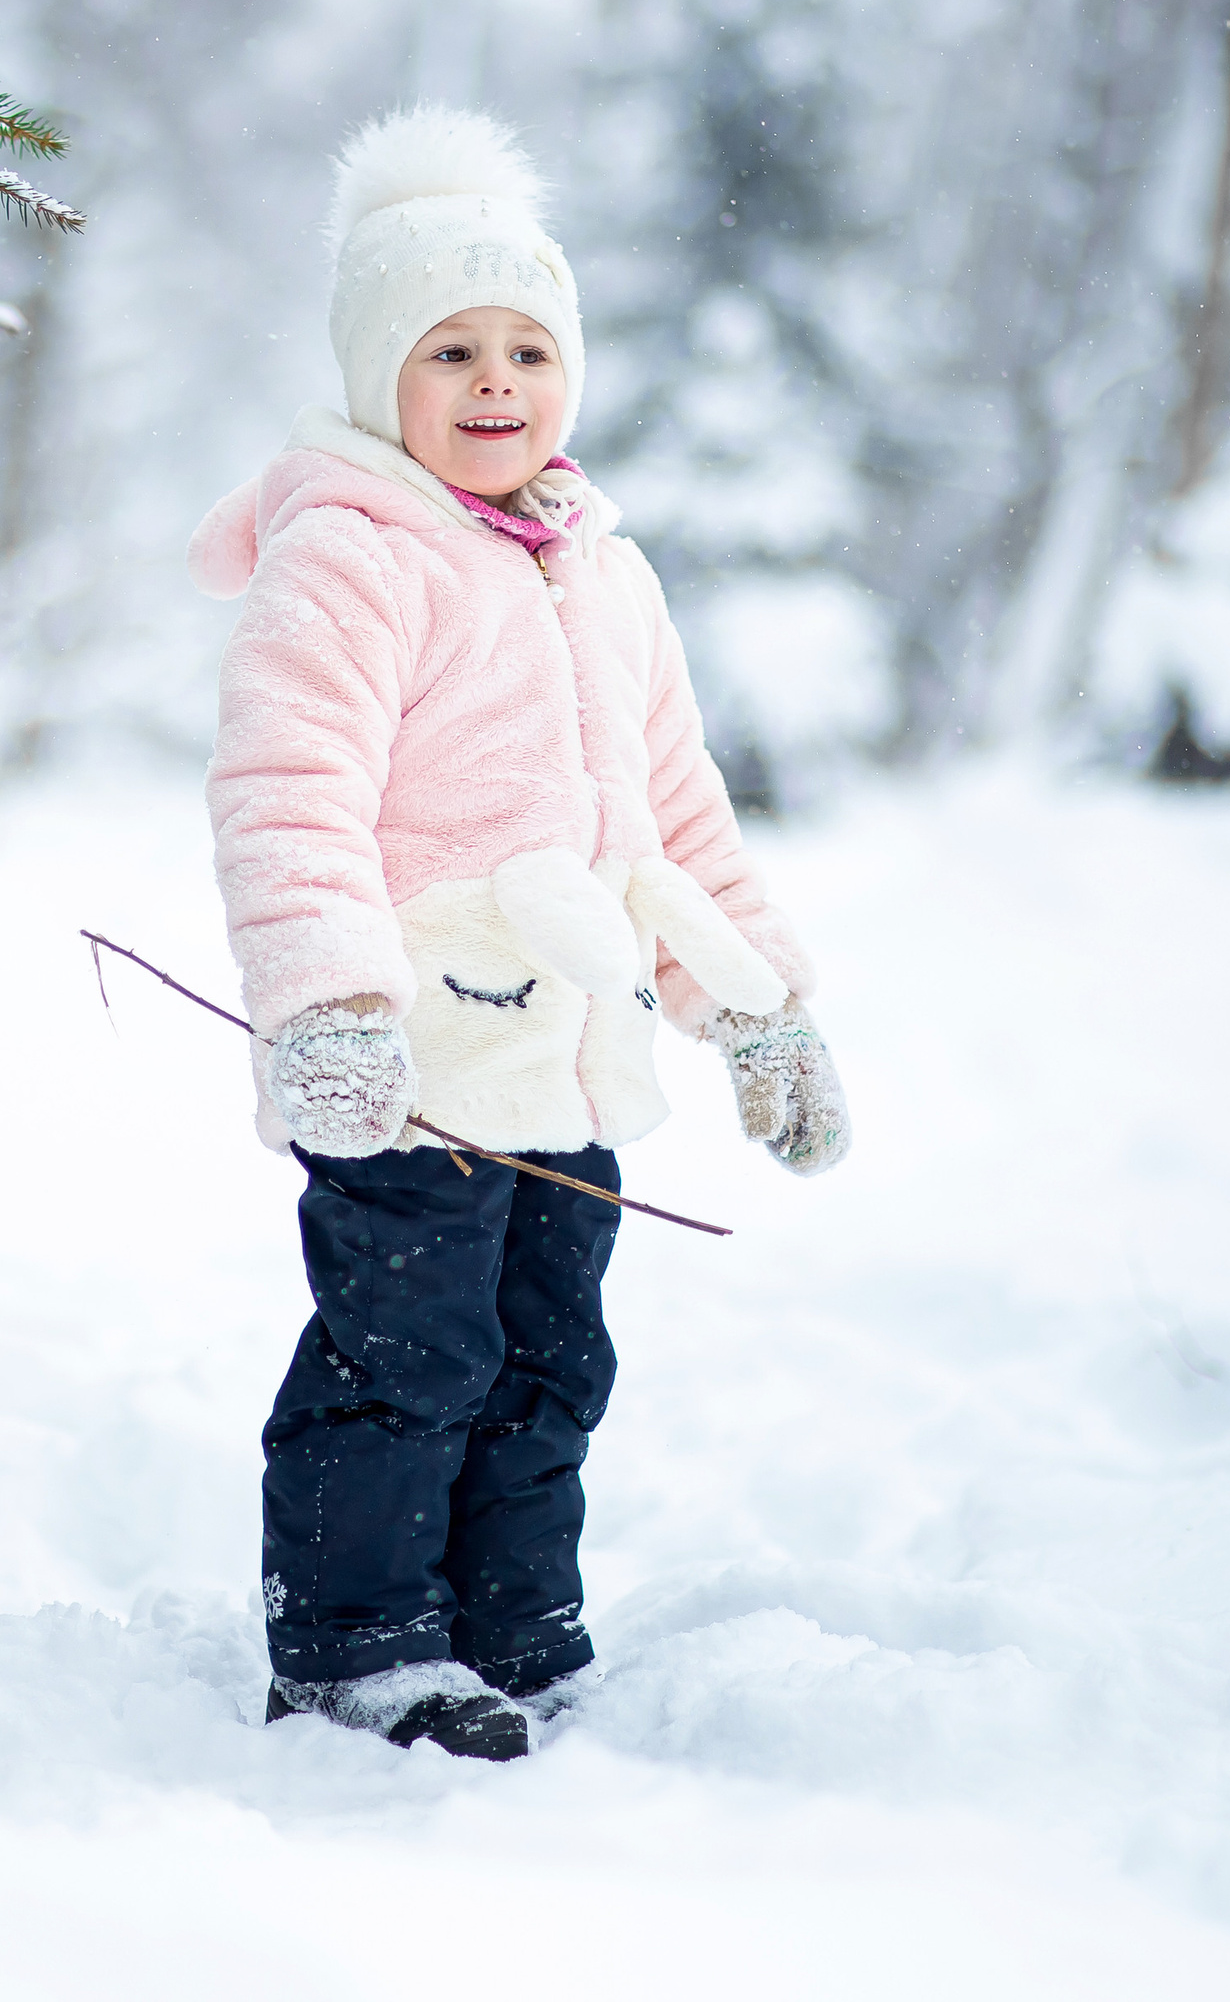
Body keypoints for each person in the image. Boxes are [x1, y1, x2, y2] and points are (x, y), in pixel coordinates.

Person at [188, 107, 849, 1764]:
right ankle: (356, 1647)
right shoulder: (351, 558)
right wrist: (329, 1003)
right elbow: (287, 789)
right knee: (406, 1359)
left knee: (550, 1363)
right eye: (450, 351)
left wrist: (761, 1009)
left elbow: (677, 817)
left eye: (530, 347)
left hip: (576, 1062)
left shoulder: (603, 572)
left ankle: (512, 1628)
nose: (497, 383)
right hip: (412, 1061)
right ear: (374, 382)